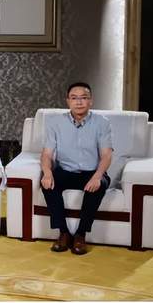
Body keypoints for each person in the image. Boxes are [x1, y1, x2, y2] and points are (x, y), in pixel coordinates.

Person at [40, 82, 112, 255]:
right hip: (65, 170)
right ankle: (63, 233)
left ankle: (80, 235)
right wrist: (47, 173)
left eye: (84, 98)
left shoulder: (102, 123)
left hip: (91, 172)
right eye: (74, 98)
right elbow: (47, 154)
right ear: (68, 101)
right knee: (48, 184)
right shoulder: (55, 123)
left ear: (91, 101)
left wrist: (97, 176)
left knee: (99, 185)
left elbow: (107, 155)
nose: (79, 102)